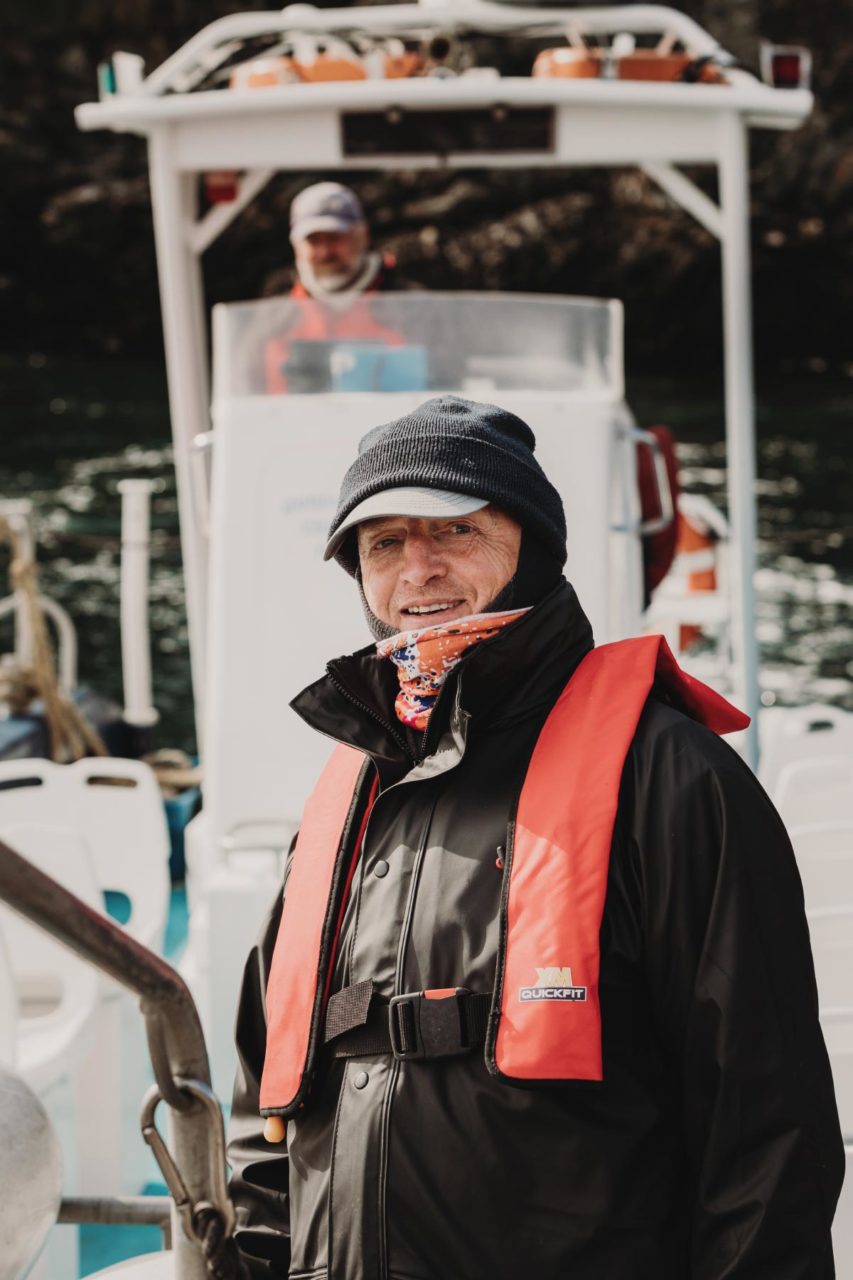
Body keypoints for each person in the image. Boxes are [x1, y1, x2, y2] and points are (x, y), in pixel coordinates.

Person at [228, 395, 843, 1279]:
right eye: (384, 543)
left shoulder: (670, 777)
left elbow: (766, 1130)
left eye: (457, 531)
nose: (419, 569)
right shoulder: (347, 796)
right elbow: (264, 1112)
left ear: (533, 549)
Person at [264, 182, 413, 393]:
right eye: (313, 240)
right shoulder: (274, 320)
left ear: (363, 236)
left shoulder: (410, 305)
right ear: (296, 247)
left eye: (335, 238)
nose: (325, 251)